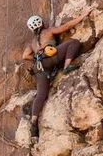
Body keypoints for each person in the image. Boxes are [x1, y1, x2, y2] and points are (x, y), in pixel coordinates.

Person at [22, 8, 92, 138]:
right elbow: (66, 26)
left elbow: (25, 56)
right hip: (51, 59)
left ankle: (34, 122)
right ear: (41, 23)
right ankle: (66, 66)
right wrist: (83, 15)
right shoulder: (48, 31)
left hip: (39, 67)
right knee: (73, 43)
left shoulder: (32, 43)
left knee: (41, 94)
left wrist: (37, 57)